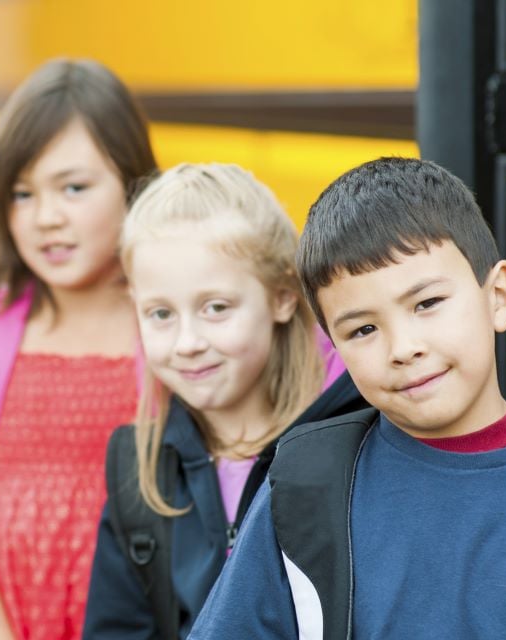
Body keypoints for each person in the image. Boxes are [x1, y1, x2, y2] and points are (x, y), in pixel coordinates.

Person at [189, 157, 506, 639]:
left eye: (428, 303)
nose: (403, 348)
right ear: (335, 345)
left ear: (498, 297)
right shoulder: (306, 490)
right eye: (364, 329)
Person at [0, 59, 158, 639]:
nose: (46, 218)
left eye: (74, 188)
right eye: (22, 194)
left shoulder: (170, 334)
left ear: (132, 184)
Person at [83, 163, 362, 638]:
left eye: (216, 308)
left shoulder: (353, 442)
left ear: (282, 297)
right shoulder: (139, 467)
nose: (187, 341)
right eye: (161, 313)